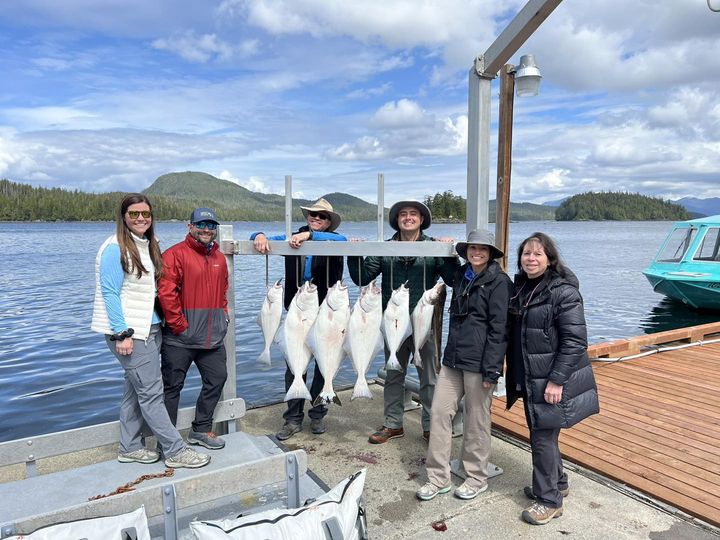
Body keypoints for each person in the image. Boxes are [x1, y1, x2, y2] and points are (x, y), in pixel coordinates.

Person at [91, 193, 210, 469]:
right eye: (134, 214)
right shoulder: (115, 247)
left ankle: (130, 447)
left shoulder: (144, 245)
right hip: (131, 334)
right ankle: (175, 450)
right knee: (152, 394)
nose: (141, 218)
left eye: (145, 213)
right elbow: (110, 292)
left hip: (151, 329)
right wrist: (121, 333)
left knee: (134, 391)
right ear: (124, 217)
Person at [506, 232, 599, 525]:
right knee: (544, 432)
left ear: (550, 259)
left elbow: (575, 341)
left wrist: (557, 381)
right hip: (530, 375)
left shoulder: (563, 292)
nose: (531, 259)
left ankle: (549, 501)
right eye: (526, 254)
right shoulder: (522, 287)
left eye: (537, 254)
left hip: (549, 379)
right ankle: (558, 482)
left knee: (542, 438)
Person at [348, 200, 454, 444]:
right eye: (403, 214)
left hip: (425, 324)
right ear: (396, 220)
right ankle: (393, 424)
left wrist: (448, 253)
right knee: (393, 375)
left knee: (429, 377)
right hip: (393, 324)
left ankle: (430, 426)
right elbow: (362, 277)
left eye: (413, 214)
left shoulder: (433, 247)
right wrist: (354, 255)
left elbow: (451, 279)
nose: (408, 217)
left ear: (421, 219)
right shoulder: (386, 249)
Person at [417, 229, 512, 501]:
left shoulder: (500, 283)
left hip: (480, 364)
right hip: (452, 360)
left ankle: (476, 477)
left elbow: (499, 329)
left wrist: (493, 369)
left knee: (476, 422)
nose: (477, 253)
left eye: (483, 249)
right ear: (467, 251)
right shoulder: (461, 275)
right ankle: (438, 478)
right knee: (438, 413)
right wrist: (442, 245)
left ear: (491, 253)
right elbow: (446, 270)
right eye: (472, 248)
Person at [251, 198, 347, 440]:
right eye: (312, 215)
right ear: (307, 217)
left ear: (329, 222)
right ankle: (293, 419)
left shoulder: (334, 240)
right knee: (294, 366)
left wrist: (309, 238)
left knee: (324, 367)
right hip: (298, 313)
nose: (316, 218)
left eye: (322, 216)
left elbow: (343, 241)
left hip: (326, 315)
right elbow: (262, 237)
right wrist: (259, 235)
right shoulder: (292, 236)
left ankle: (318, 414)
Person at [158, 208, 230, 450]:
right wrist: (180, 326)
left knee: (217, 378)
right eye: (201, 224)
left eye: (211, 225)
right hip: (180, 339)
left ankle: (200, 429)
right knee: (171, 389)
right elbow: (166, 293)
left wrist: (224, 317)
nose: (207, 229)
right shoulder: (174, 255)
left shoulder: (219, 258)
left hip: (212, 338)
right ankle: (166, 441)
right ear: (190, 226)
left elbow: (222, 293)